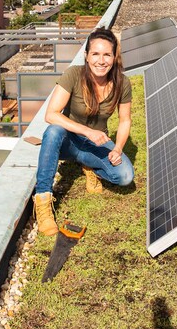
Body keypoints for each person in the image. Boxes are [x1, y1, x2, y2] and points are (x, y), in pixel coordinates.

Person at [34, 27, 135, 234]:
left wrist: (117, 148)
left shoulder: (122, 83)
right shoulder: (73, 75)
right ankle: (43, 201)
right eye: (95, 54)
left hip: (95, 144)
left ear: (114, 57)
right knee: (53, 131)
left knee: (124, 177)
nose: (101, 60)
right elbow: (51, 114)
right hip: (68, 141)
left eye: (107, 54)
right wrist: (87, 132)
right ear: (86, 56)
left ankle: (88, 165)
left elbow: (125, 120)